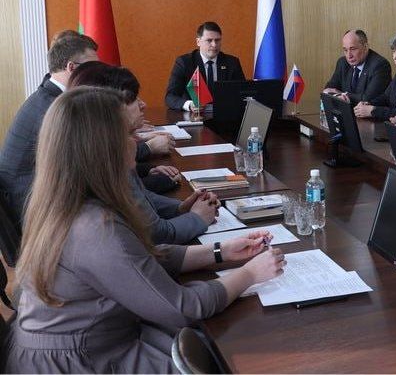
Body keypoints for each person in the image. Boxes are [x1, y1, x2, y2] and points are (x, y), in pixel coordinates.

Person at [5, 86, 284, 373]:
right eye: (128, 133)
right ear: (103, 148)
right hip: (82, 362)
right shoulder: (96, 229)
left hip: (90, 341)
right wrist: (250, 274)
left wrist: (220, 251)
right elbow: (182, 308)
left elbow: (141, 259)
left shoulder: (66, 202)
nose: (137, 139)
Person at [70, 62, 218, 244]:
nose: (143, 104)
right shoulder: (108, 159)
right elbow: (157, 234)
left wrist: (181, 208)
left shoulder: (106, 148)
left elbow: (143, 197)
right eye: (133, 98)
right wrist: (198, 218)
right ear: (110, 106)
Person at [0, 31, 97, 226]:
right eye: (92, 68)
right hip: (31, 207)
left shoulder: (50, 94)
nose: (97, 74)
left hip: (39, 194)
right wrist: (145, 148)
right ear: (71, 67)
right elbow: (87, 159)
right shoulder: (54, 107)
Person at [165, 21, 245, 111]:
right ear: (198, 42)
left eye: (217, 40)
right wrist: (190, 105)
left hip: (224, 114)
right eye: (209, 40)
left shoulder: (232, 63)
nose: (214, 45)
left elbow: (242, 93)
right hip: (194, 115)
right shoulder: (185, 62)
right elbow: (170, 97)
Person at [324, 29, 392, 104]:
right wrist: (335, 93)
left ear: (365, 47)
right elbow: (329, 88)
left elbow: (367, 98)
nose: (349, 55)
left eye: (353, 49)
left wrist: (342, 95)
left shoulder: (380, 65)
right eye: (345, 50)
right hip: (344, 110)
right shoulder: (342, 63)